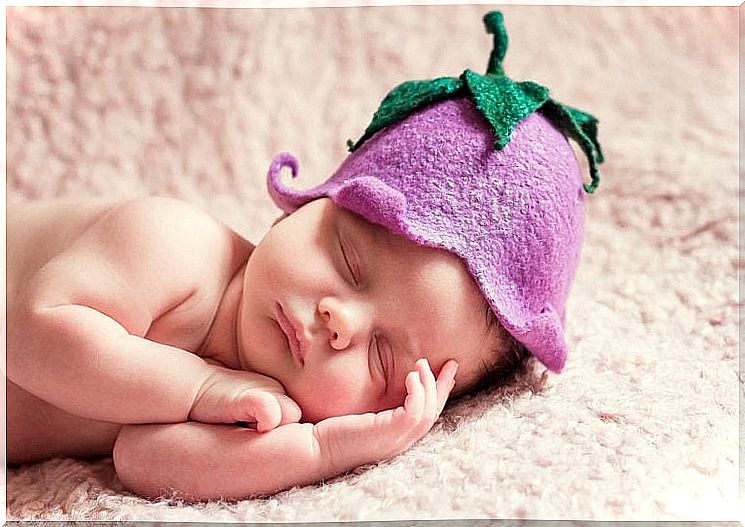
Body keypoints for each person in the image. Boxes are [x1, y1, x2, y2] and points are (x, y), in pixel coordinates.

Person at [5, 11, 603, 501]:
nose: (341, 322)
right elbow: (28, 335)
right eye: (350, 261)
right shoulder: (172, 243)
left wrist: (326, 449)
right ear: (307, 207)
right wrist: (202, 389)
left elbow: (144, 460)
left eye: (383, 360)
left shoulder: (269, 397)